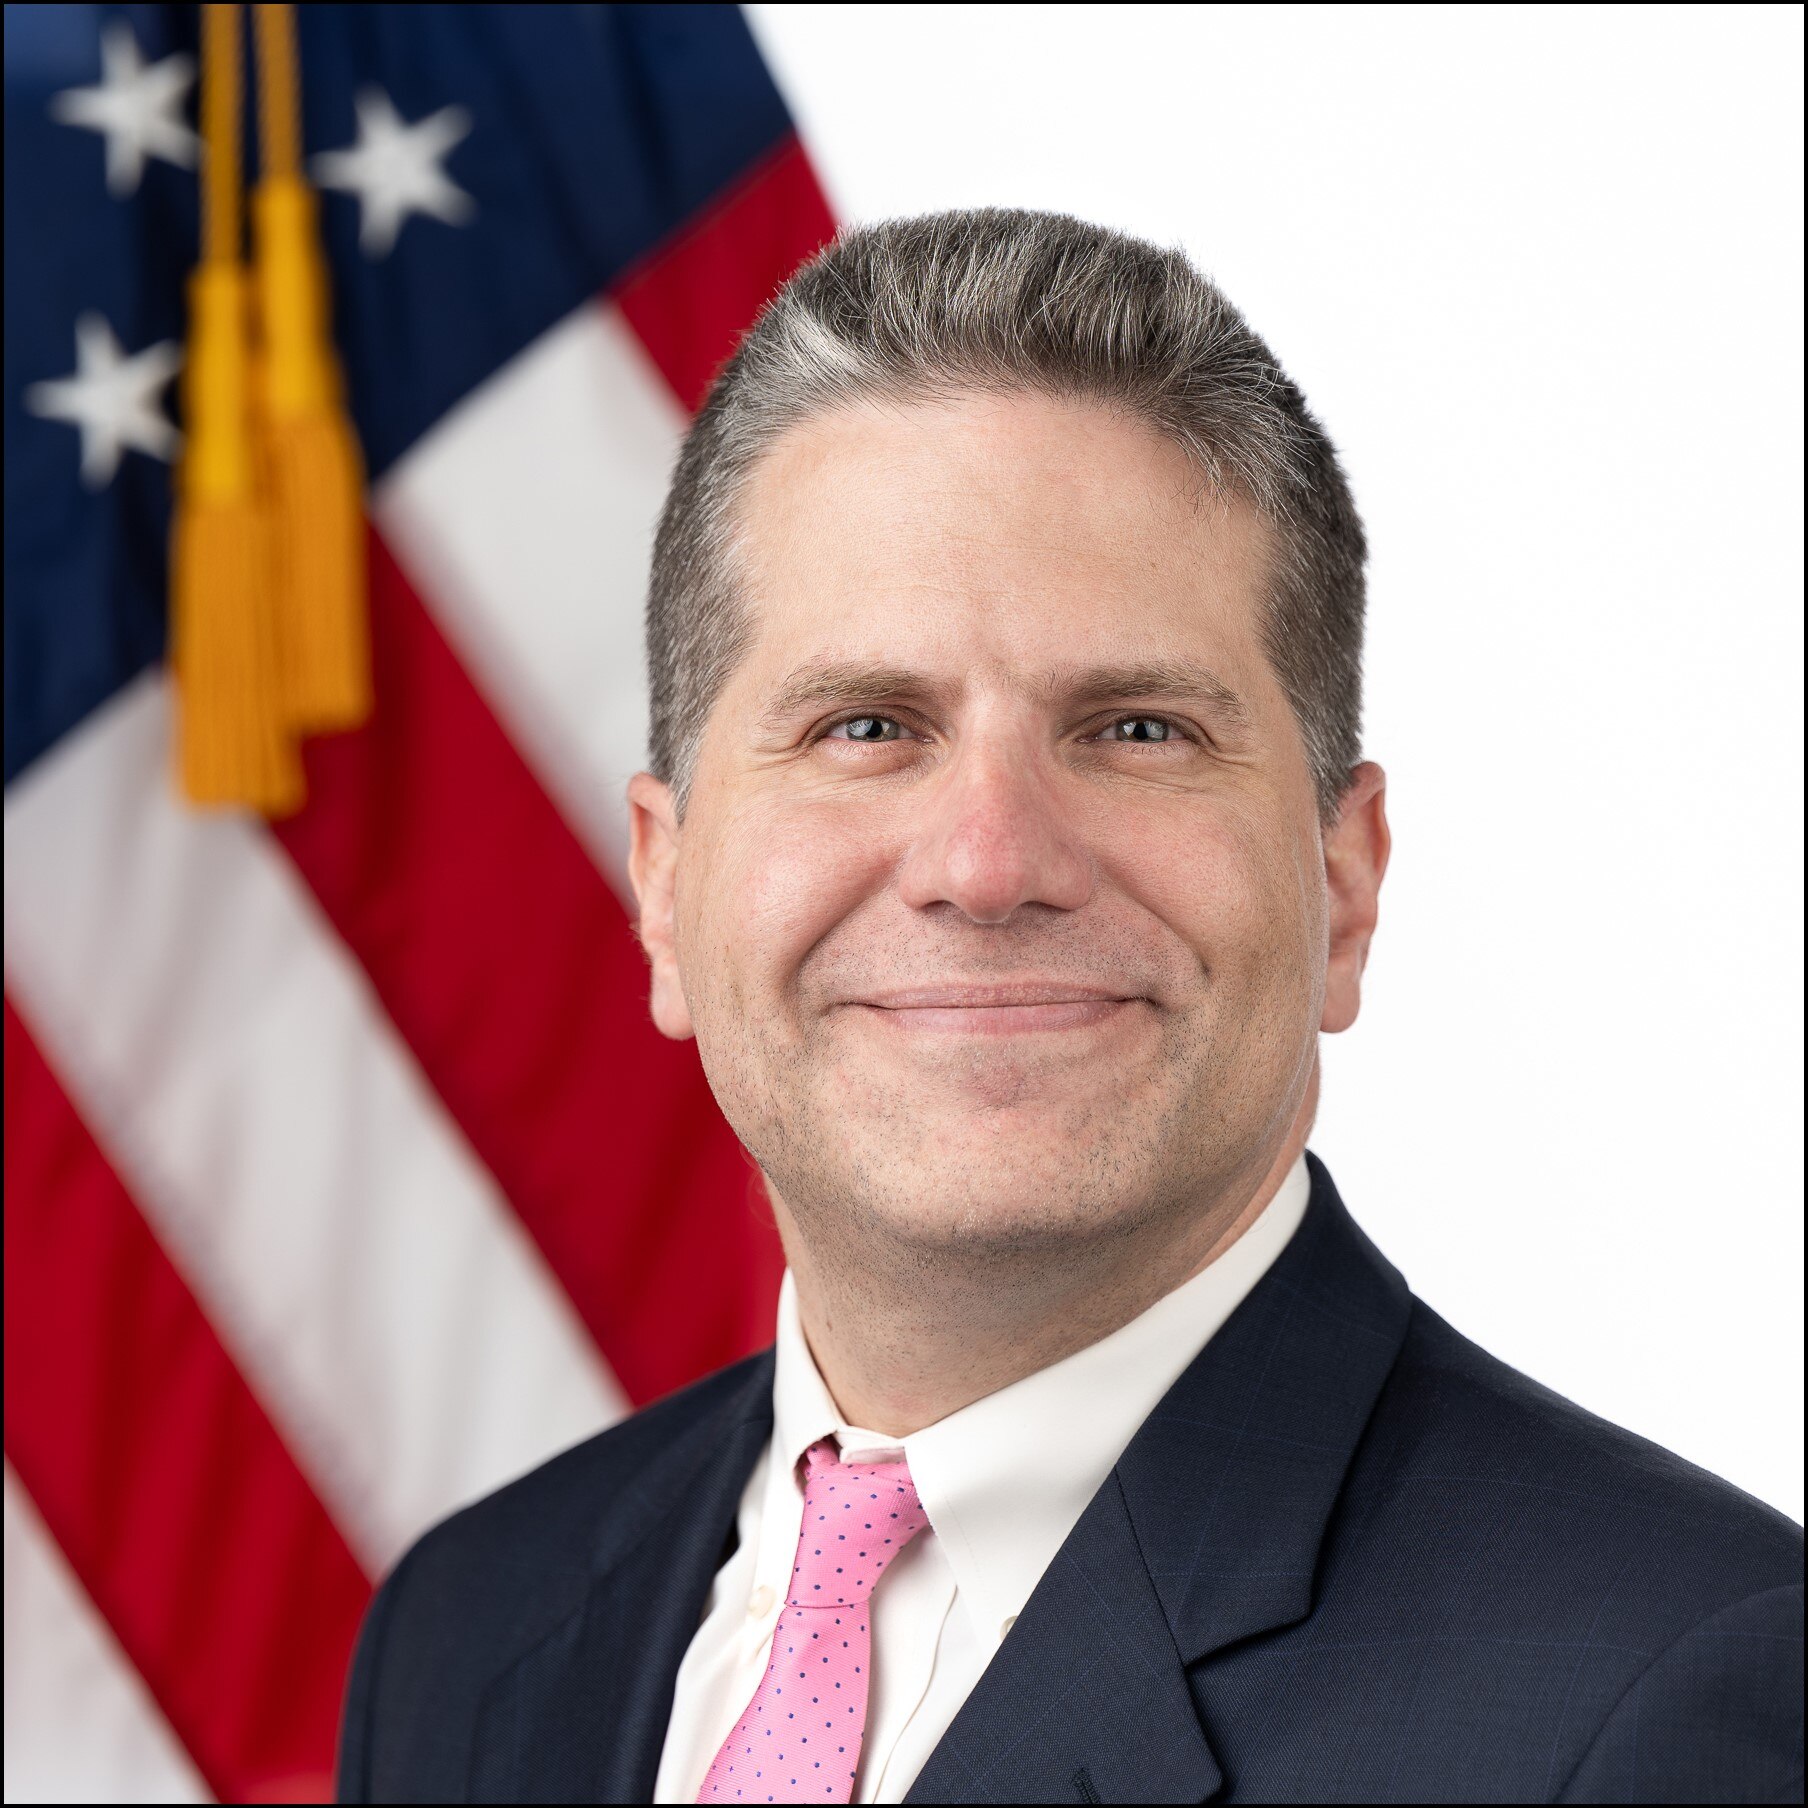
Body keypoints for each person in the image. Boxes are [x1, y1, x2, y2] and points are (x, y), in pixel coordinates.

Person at [334, 209, 1803, 1806]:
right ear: (666, 886)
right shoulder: (470, 1637)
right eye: (866, 726)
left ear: (1343, 883)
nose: (987, 864)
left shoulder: (1671, 1700)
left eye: (1136, 729)